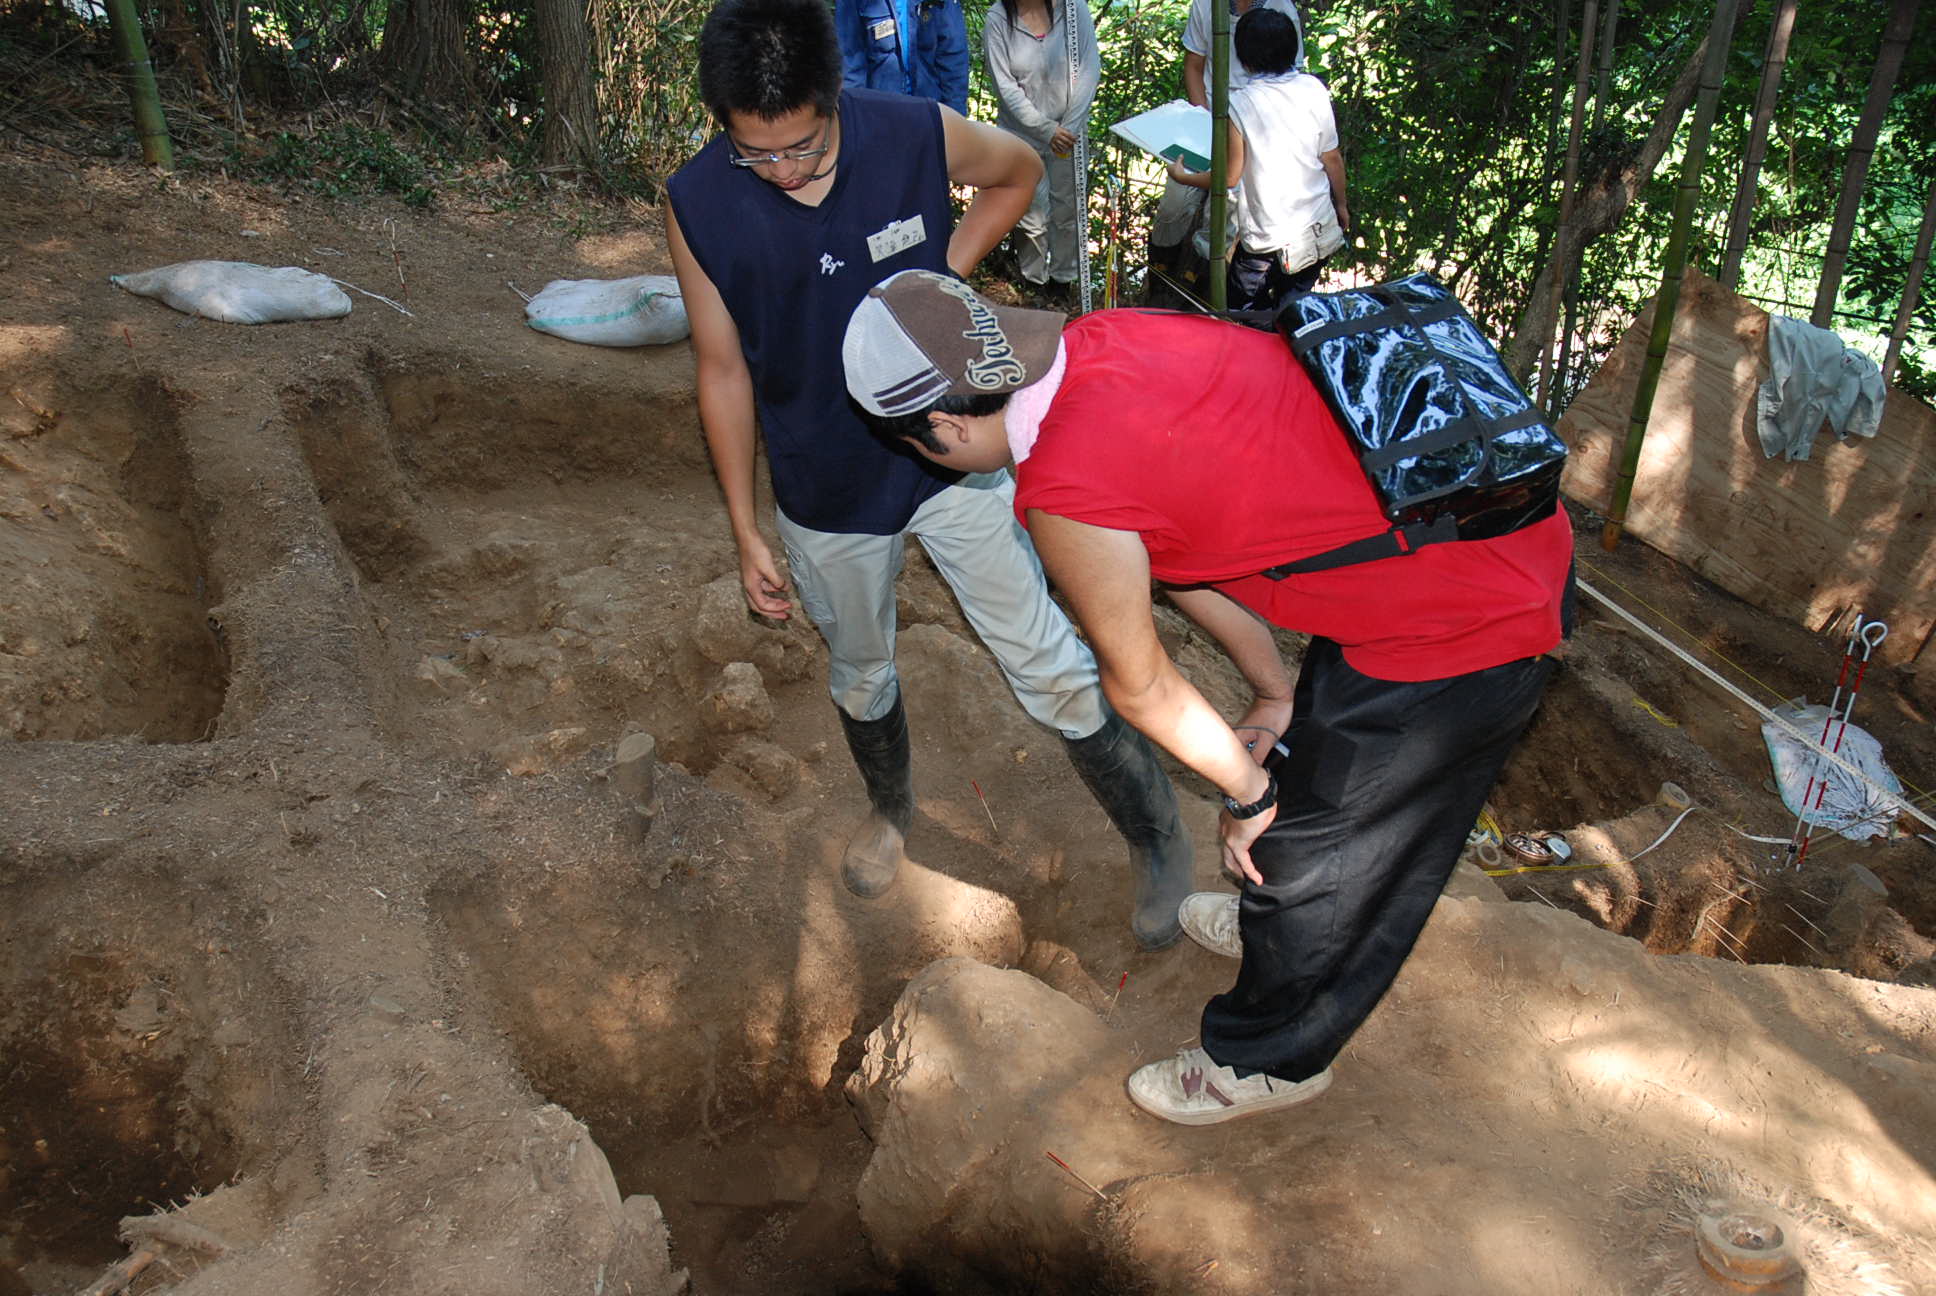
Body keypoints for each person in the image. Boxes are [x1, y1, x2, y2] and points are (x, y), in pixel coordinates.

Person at [840, 270, 1572, 1124]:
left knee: (1335, 856)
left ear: (945, 426)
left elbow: (1142, 684)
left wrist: (1248, 796)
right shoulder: (1104, 343)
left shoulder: (1065, 488)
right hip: (1422, 560)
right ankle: (1277, 923)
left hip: (1465, 623)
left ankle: (1271, 1059)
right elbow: (1181, 557)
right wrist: (1272, 692)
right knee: (1319, 780)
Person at [663, 0, 1196, 950]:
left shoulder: (910, 131)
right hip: (823, 484)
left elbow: (1019, 171)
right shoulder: (698, 201)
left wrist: (936, 280)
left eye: (804, 148)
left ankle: (1155, 835)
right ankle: (891, 810)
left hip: (956, 456)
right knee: (861, 668)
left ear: (836, 100)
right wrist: (745, 528)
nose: (783, 172)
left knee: (1045, 656)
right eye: (757, 154)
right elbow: (722, 368)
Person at [1167, 8, 1348, 310]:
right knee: (1294, 312)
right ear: (1292, 49)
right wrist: (1341, 205)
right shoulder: (1313, 88)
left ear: (1243, 59)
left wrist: (1183, 176)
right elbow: (1332, 159)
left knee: (1244, 312)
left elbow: (1229, 177)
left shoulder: (1240, 104)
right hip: (1317, 230)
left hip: (1268, 241)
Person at [982, 0, 1100, 300]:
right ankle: (1033, 281)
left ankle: (1062, 281)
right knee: (1030, 214)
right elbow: (1005, 87)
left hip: (1069, 134)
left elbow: (1090, 69)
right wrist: (1047, 130)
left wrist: (1068, 129)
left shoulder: (1072, 9)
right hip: (1021, 136)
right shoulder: (998, 18)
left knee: (1068, 210)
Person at [834, 0, 969, 115]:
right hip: (877, 117)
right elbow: (850, 64)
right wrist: (854, 121)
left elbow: (953, 61)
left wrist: (955, 121)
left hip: (929, 117)